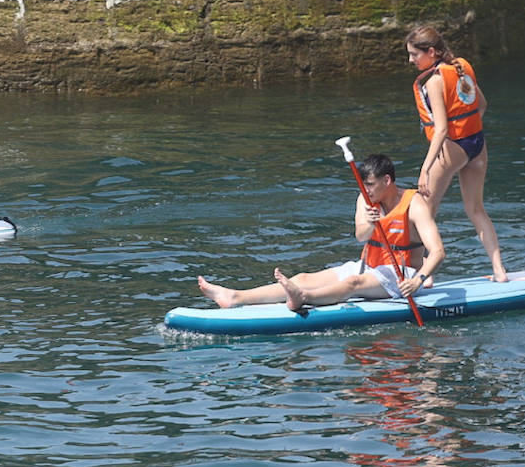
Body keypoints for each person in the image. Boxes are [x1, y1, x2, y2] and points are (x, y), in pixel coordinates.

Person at [197, 154, 444, 311]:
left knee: (353, 283)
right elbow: (361, 236)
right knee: (304, 276)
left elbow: (438, 252)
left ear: (387, 181)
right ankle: (235, 297)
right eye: (363, 185)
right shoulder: (365, 199)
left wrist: (419, 280)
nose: (366, 190)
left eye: (370, 184)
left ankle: (302, 297)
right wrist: (370, 223)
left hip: (403, 276)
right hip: (369, 267)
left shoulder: (415, 204)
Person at [406, 25, 508, 282]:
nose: (410, 60)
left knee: (422, 211)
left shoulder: (435, 81)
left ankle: (426, 275)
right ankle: (499, 271)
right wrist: (467, 130)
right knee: (476, 209)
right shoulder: (462, 66)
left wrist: (425, 169)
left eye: (414, 54)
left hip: (452, 147)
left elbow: (441, 130)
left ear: (431, 52)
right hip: (477, 144)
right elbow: (482, 104)